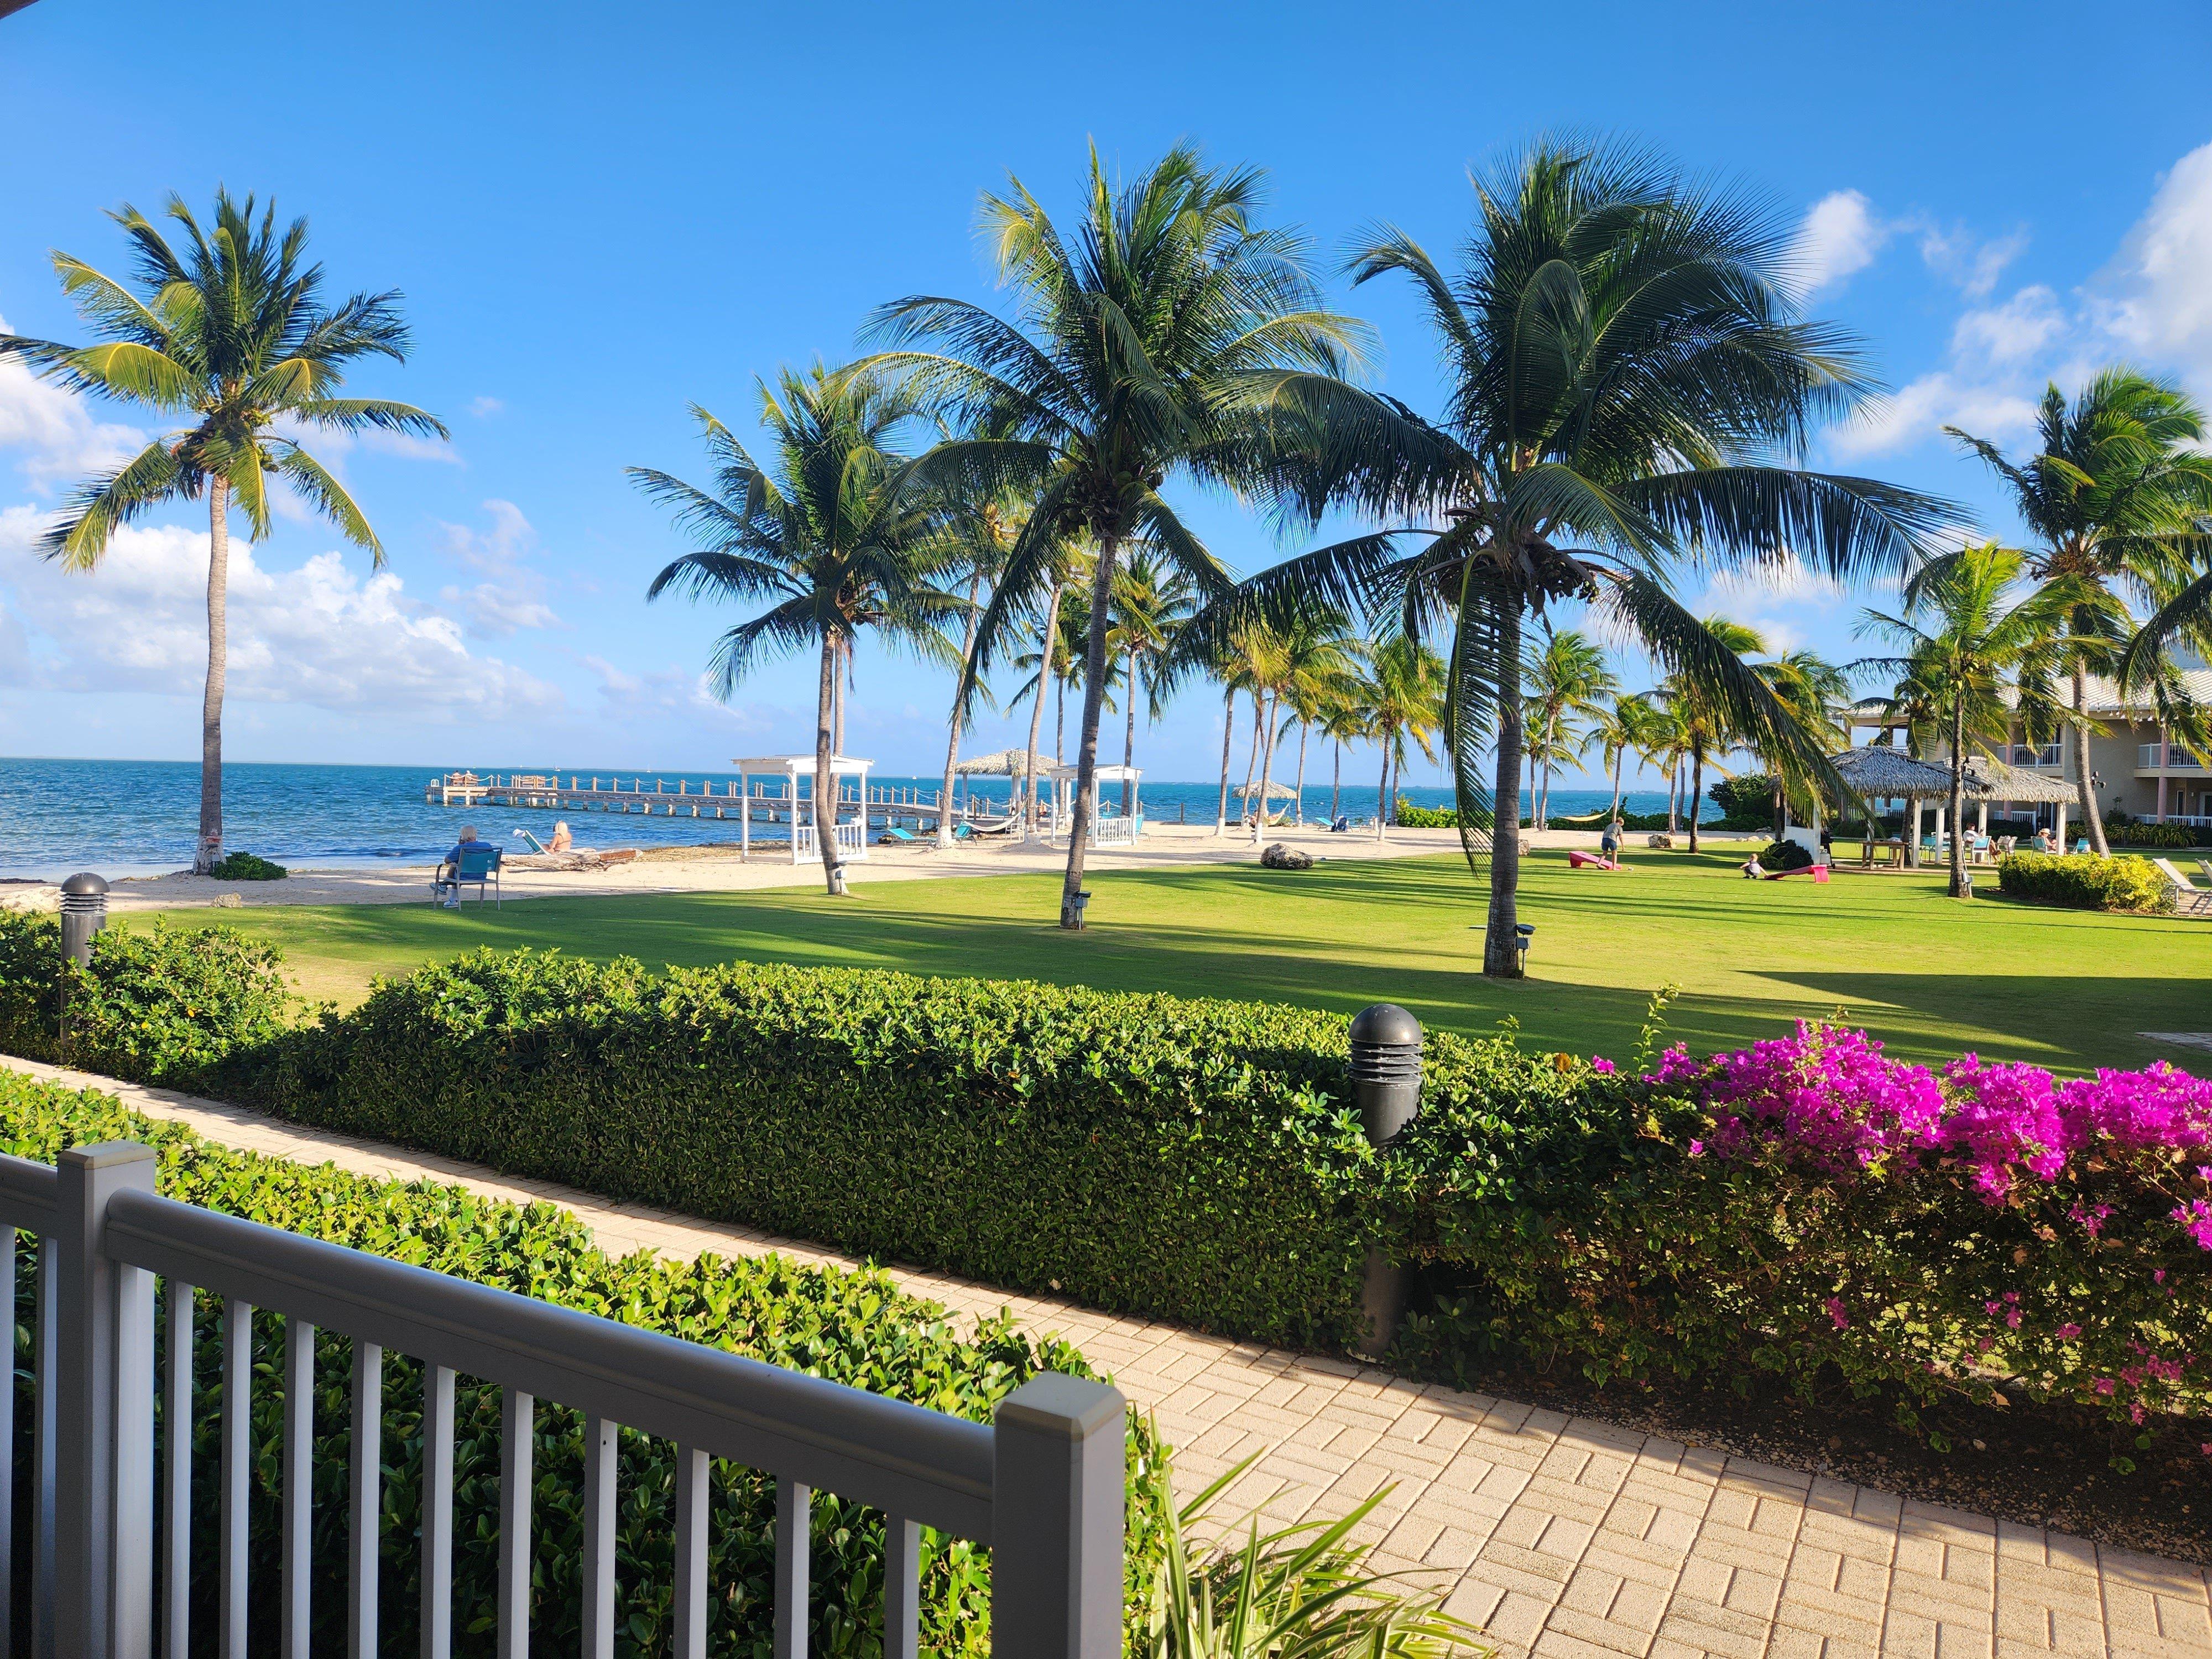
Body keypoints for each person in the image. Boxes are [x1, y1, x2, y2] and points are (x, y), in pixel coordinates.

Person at [436, 825, 483, 907]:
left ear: (463, 836)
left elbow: (447, 861)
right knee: (458, 866)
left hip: (463, 876)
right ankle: (444, 887)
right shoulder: (487, 846)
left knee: (455, 866)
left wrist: (459, 845)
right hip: (481, 876)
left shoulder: (460, 848)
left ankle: (446, 889)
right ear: (475, 834)